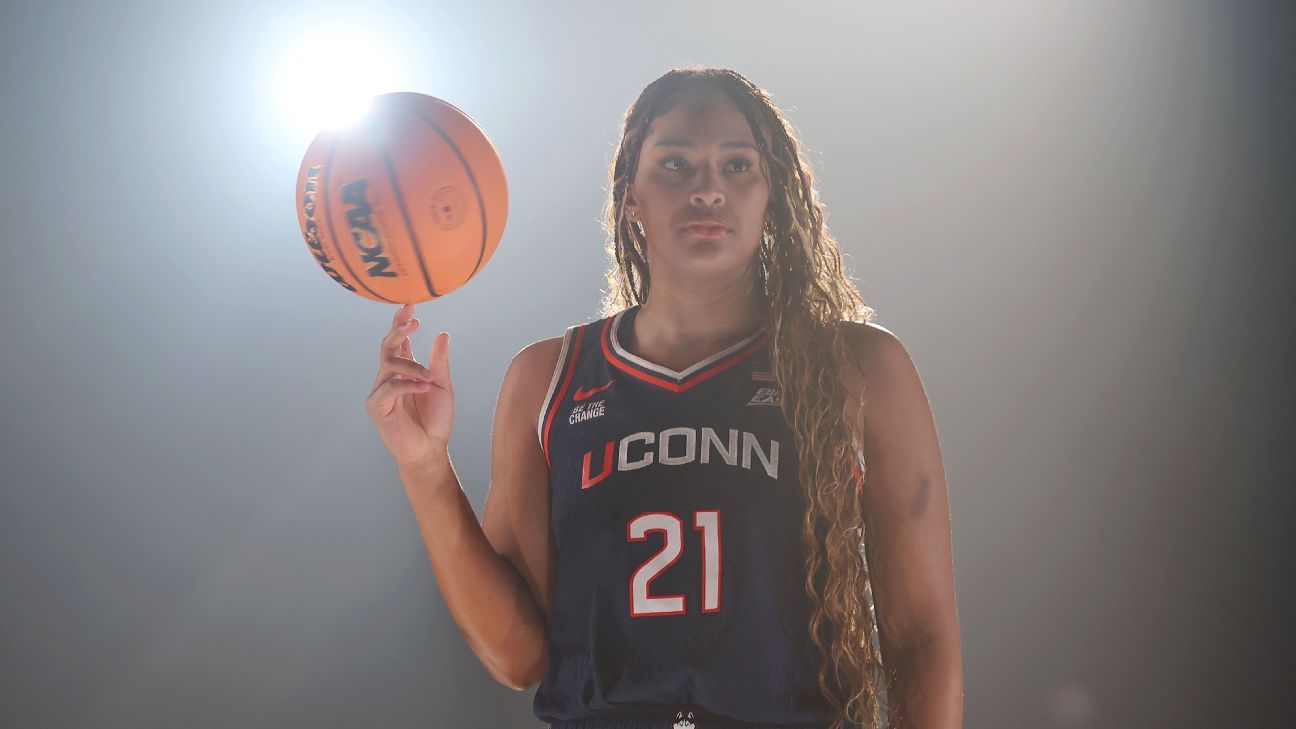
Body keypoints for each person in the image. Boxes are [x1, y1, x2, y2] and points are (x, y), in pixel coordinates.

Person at [366, 67, 962, 729]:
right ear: (630, 198)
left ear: (772, 195)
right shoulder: (548, 379)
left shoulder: (856, 367)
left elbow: (921, 640)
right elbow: (517, 657)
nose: (708, 188)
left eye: (737, 165)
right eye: (676, 163)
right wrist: (424, 466)